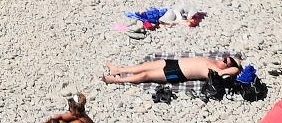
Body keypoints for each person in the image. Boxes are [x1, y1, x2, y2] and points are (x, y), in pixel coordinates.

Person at [102, 55, 242, 84]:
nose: (222, 59)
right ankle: (117, 69)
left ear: (228, 67)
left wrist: (231, 69)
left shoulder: (216, 72)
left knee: (145, 74)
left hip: (177, 73)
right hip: (174, 63)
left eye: (225, 62)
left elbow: (235, 71)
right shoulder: (213, 61)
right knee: (144, 65)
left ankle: (115, 80)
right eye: (225, 57)